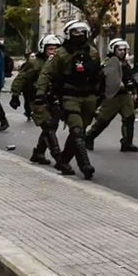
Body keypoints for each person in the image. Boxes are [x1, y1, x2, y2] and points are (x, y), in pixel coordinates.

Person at [36, 20, 104, 179]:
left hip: (90, 98)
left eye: (82, 32)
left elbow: (99, 75)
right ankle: (85, 166)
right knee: (77, 130)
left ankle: (63, 160)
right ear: (68, 34)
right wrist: (40, 93)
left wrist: (102, 94)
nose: (79, 35)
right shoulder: (60, 54)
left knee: (78, 133)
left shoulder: (93, 53)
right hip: (70, 96)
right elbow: (46, 73)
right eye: (75, 32)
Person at [85, 39, 138, 153]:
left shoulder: (125, 63)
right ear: (113, 49)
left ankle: (127, 142)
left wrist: (134, 90)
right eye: (119, 49)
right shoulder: (108, 62)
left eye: (124, 49)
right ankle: (89, 137)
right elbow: (102, 78)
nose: (122, 52)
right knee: (103, 120)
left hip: (124, 95)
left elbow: (130, 78)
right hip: (112, 96)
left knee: (129, 117)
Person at [12, 35, 62, 164]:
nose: (53, 52)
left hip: (53, 99)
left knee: (51, 127)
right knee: (48, 126)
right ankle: (59, 157)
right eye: (50, 49)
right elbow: (21, 78)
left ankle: (38, 153)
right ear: (43, 49)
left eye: (56, 49)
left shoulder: (60, 63)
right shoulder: (35, 63)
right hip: (36, 99)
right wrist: (15, 95)